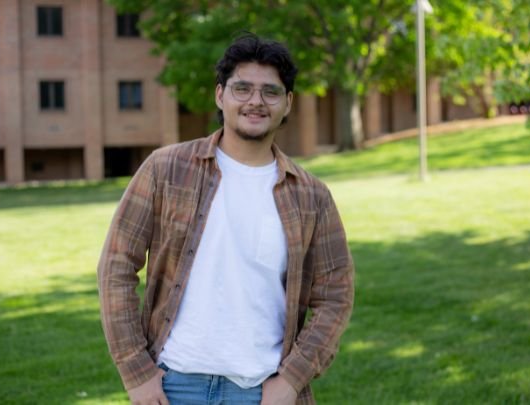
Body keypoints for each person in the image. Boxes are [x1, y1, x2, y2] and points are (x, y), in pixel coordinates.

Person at [98, 33, 354, 405]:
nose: (255, 101)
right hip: (172, 387)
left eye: (270, 92)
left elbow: (335, 295)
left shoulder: (312, 196)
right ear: (220, 95)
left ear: (288, 103)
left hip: (262, 391)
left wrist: (291, 380)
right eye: (242, 89)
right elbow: (116, 265)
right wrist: (136, 371)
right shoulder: (166, 169)